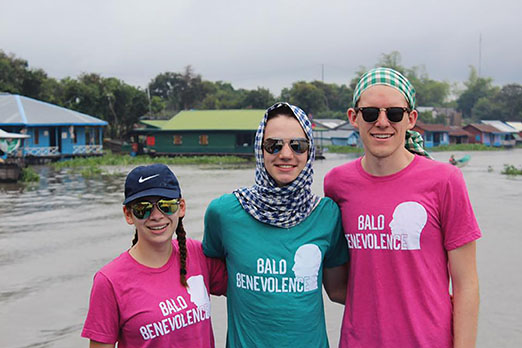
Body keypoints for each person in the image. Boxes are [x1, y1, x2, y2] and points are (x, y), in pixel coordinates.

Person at [324, 67, 481, 348]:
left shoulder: (445, 180)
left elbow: (466, 284)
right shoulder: (337, 184)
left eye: (394, 113)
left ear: (410, 119)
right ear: (353, 118)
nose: (382, 122)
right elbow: (336, 286)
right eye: (370, 113)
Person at [203, 102, 349, 347]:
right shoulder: (224, 213)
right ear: (260, 149)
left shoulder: (327, 215)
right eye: (274, 145)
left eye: (297, 145)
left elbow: (337, 290)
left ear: (309, 151)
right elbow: (208, 273)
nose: (285, 154)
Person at [82, 164, 227, 348]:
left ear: (181, 207)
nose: (157, 216)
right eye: (143, 208)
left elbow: (250, 288)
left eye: (166, 205)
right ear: (128, 214)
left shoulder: (197, 254)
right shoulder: (109, 281)